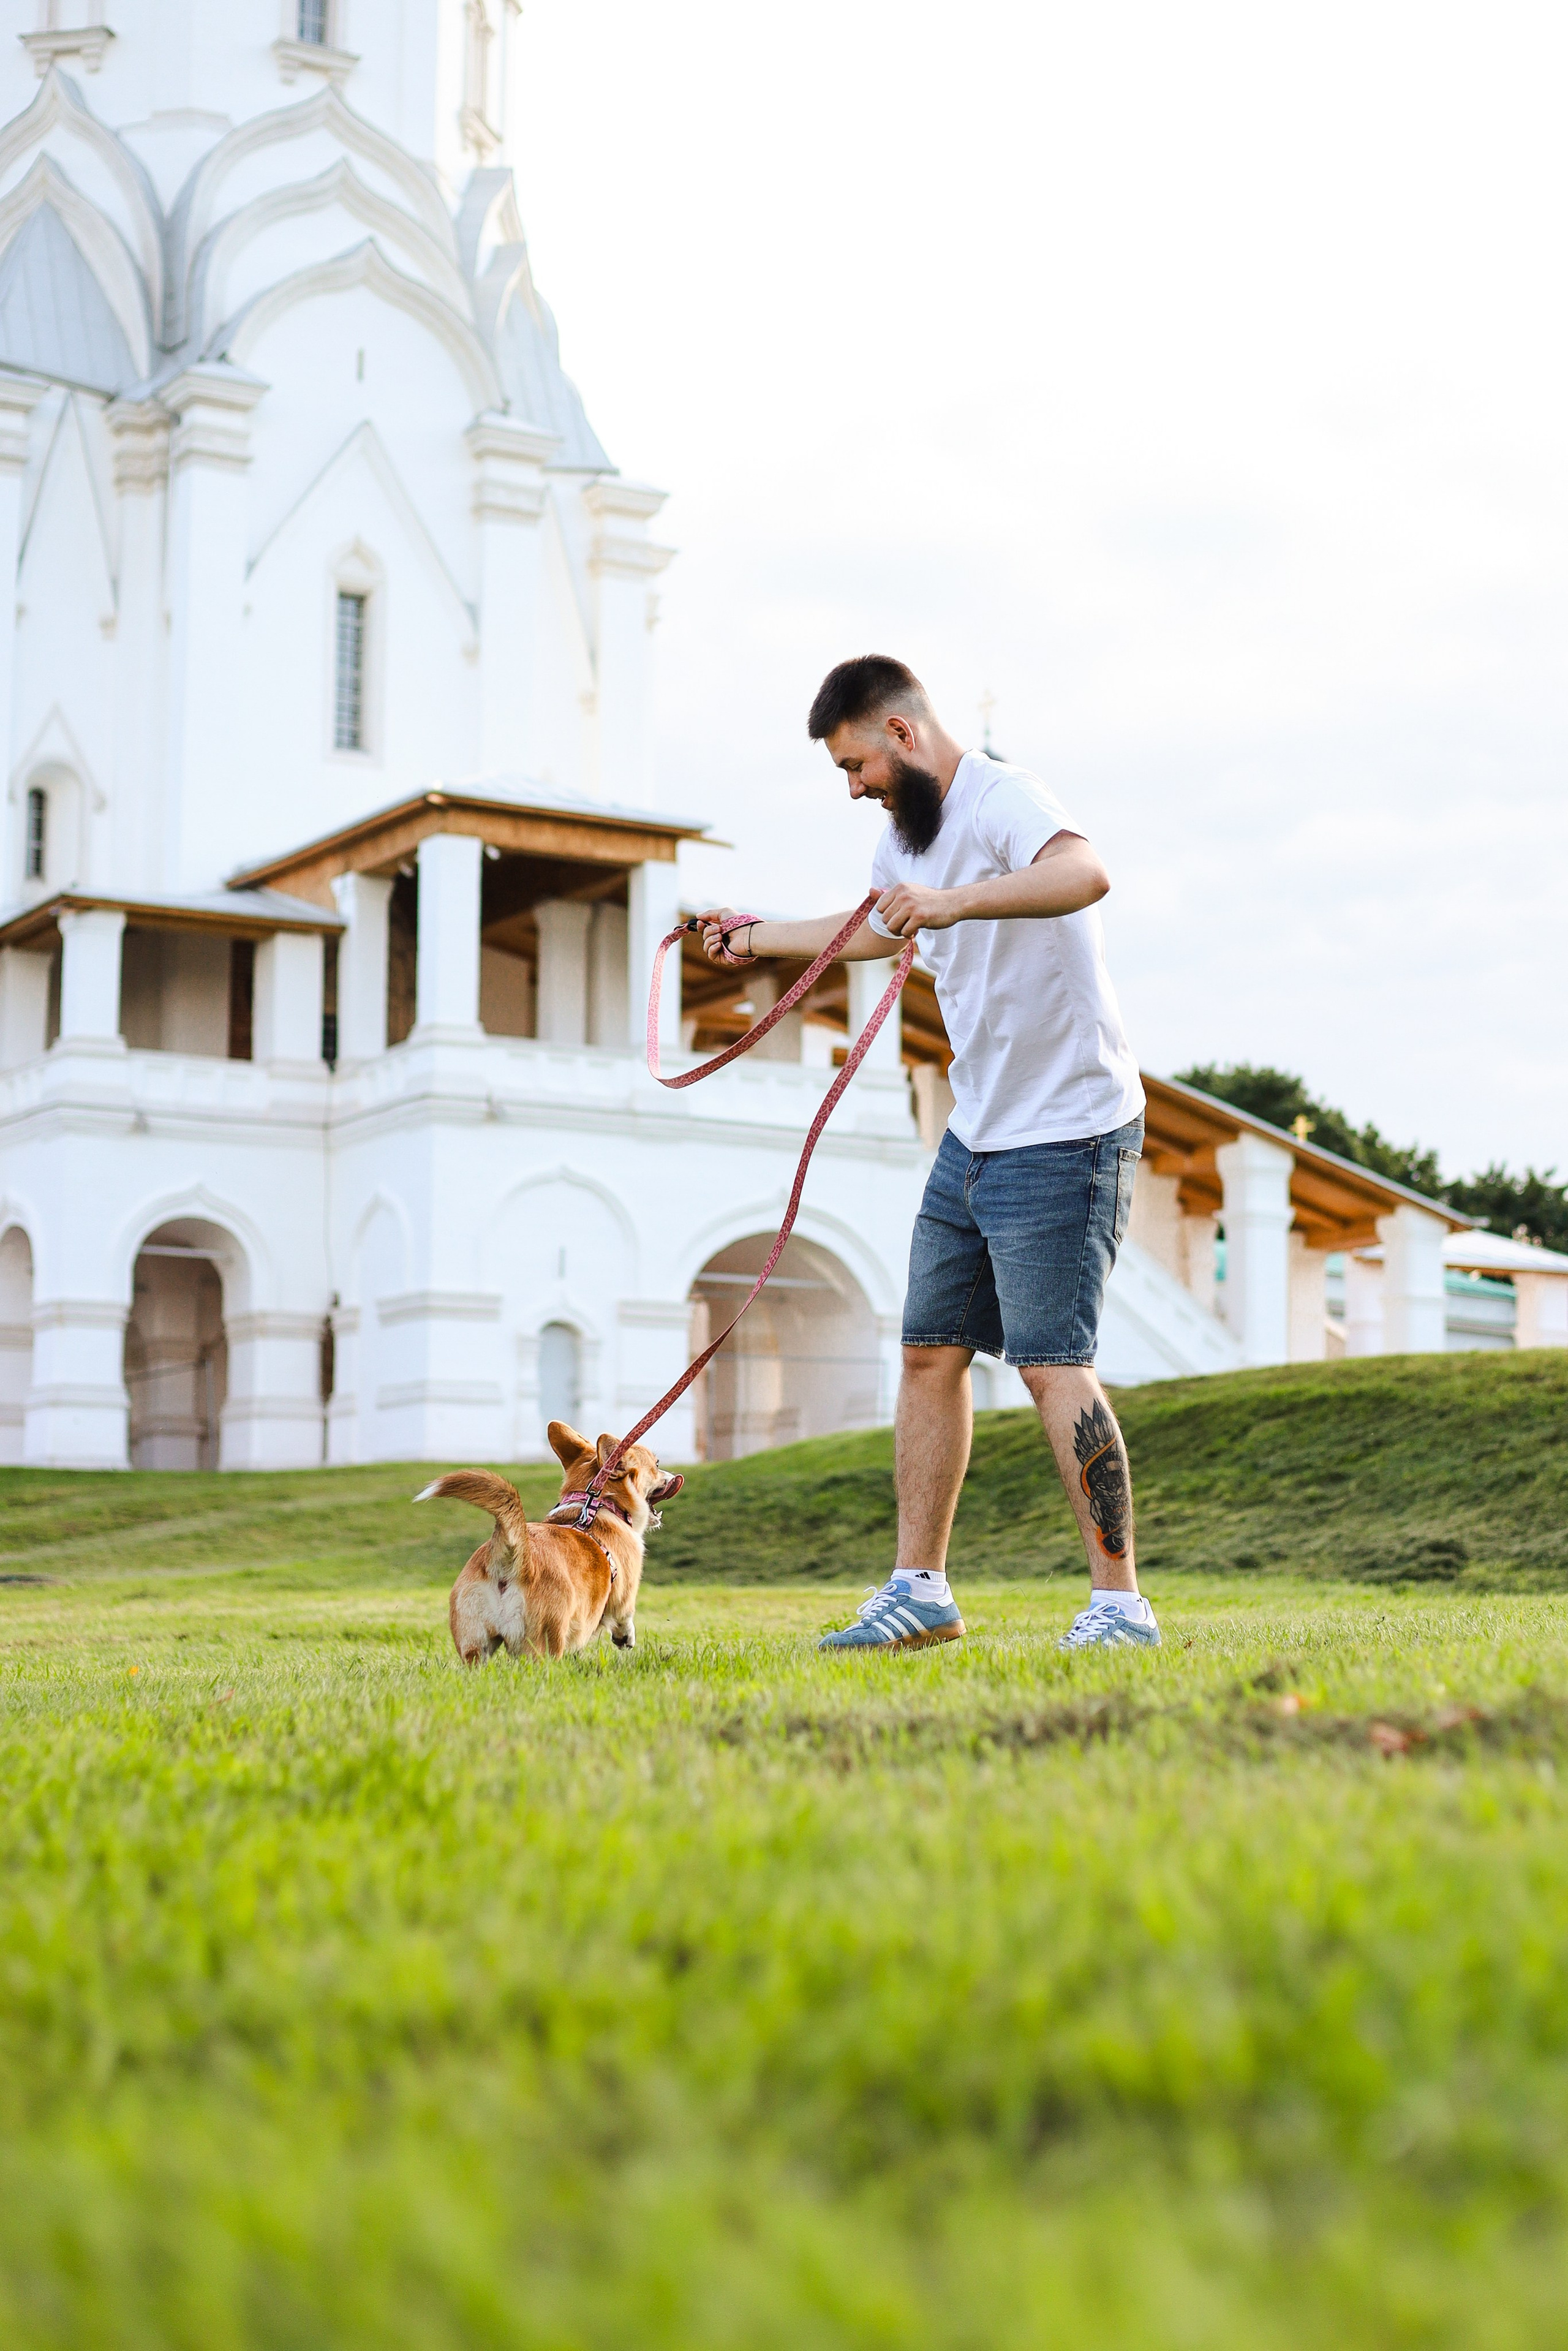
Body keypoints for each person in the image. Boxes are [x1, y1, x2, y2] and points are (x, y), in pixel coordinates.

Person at [696, 654, 1156, 1653]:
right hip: (978, 1130)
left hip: (1069, 1128)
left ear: (902, 734)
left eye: (856, 764)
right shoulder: (903, 840)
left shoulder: (1003, 798)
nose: (854, 786)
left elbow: (1087, 872)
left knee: (1051, 1365)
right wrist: (755, 935)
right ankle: (921, 1591)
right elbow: (865, 929)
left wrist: (953, 905)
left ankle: (1121, 1607)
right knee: (927, 1350)